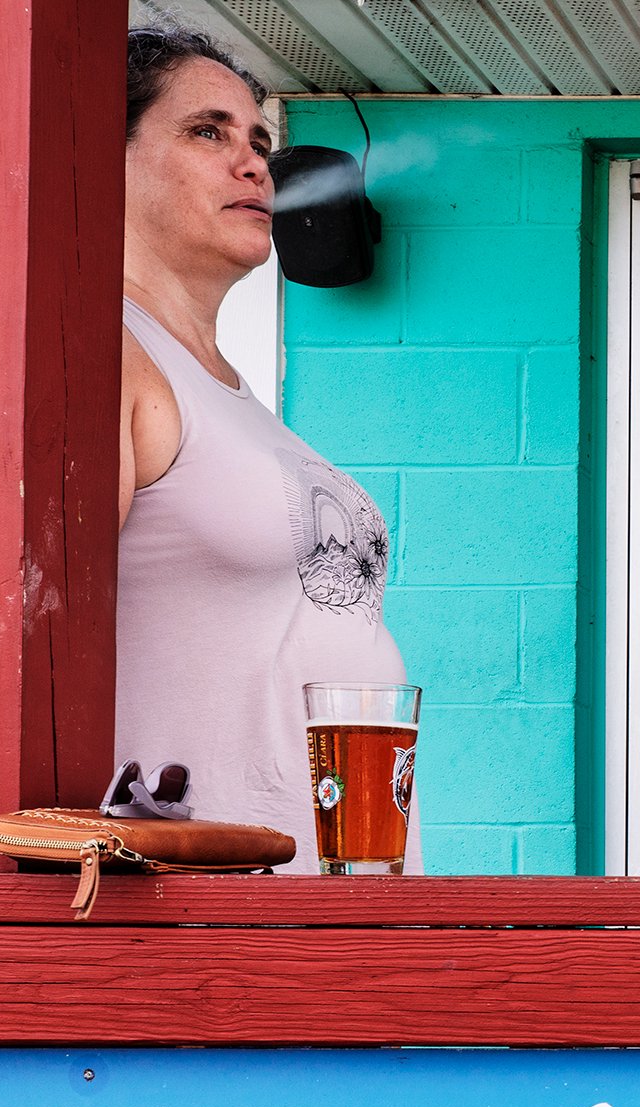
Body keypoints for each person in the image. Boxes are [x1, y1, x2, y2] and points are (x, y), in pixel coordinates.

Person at [115, 27, 418, 873]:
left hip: (333, 887)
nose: (255, 165)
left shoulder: (236, 399)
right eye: (207, 132)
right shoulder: (104, 357)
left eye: (260, 142)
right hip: (202, 915)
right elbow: (6, 633)